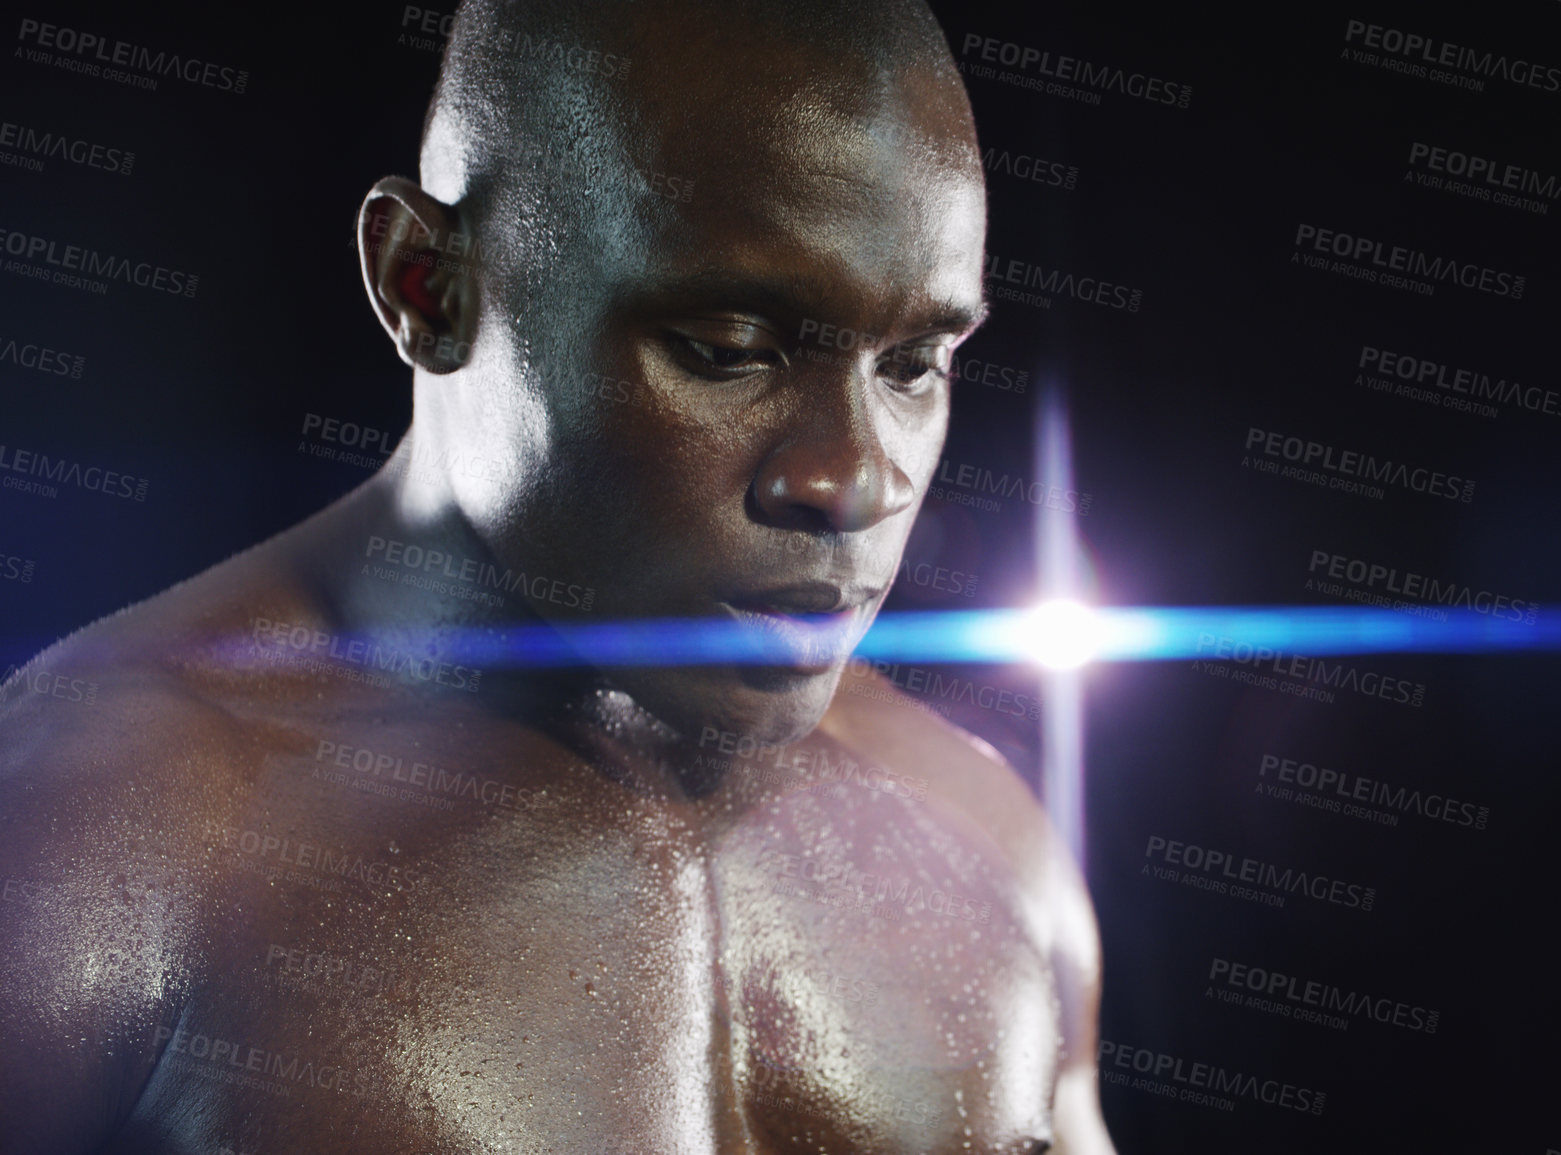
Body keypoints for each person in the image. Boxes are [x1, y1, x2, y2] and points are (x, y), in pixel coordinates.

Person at [0, 0, 1116, 1150]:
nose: (854, 480)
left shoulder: (985, 844)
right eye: (727, 351)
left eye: (915, 365)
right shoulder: (95, 847)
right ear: (426, 285)